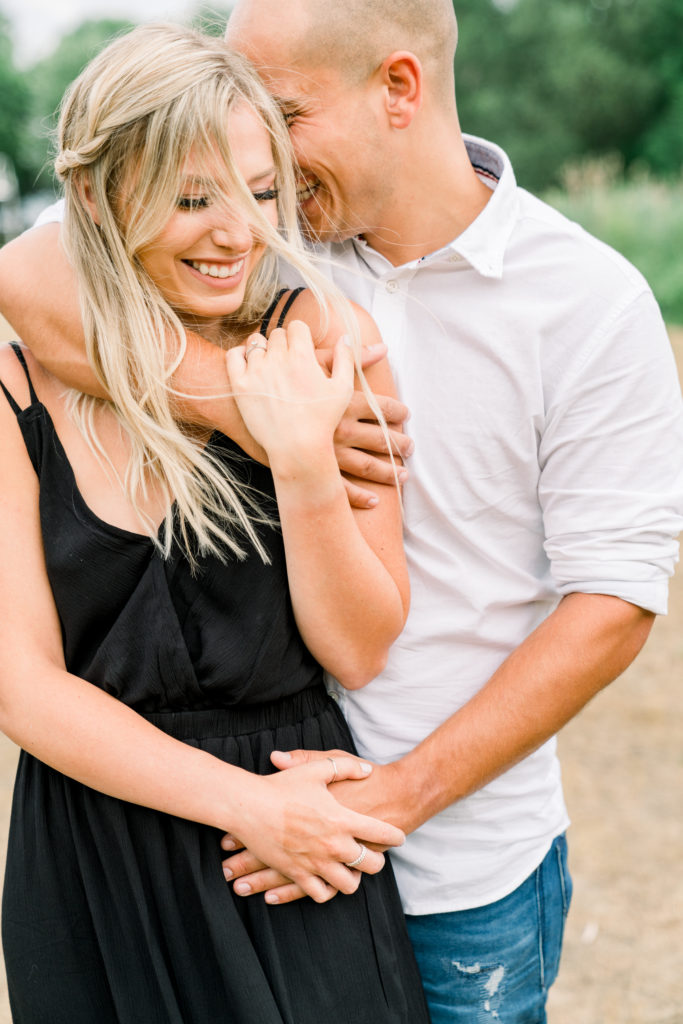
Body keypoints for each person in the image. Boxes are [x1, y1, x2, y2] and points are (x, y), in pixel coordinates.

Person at [2, 3, 683, 1022]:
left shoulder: (586, 302)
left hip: (445, 859)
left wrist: (396, 795)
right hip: (180, 844)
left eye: (279, 117)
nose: (250, 163)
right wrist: (249, 410)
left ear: (397, 89)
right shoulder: (270, 257)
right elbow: (31, 272)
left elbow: (613, 604)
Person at [0, 23, 431, 1024]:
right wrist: (249, 807)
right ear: (106, 200)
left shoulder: (322, 340)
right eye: (192, 199)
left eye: (260, 191)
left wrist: (302, 464)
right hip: (101, 857)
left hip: (292, 867)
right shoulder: (17, 390)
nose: (237, 233)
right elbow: (19, 685)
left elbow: (360, 646)